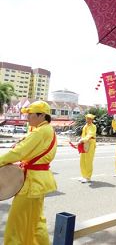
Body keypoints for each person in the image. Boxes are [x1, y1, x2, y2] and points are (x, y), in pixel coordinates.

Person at [0, 100, 57, 245]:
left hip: (31, 182)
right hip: (37, 181)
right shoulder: (47, 130)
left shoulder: (40, 132)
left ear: (42, 115)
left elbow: (18, 152)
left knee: (16, 222)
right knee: (35, 220)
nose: (27, 118)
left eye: (30, 115)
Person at [79, 113, 97, 183]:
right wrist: (81, 139)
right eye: (87, 118)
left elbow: (90, 134)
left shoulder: (93, 126)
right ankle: (84, 175)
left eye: (90, 118)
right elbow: (84, 135)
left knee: (88, 160)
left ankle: (88, 177)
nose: (88, 120)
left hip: (90, 143)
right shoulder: (85, 126)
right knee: (82, 160)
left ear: (92, 119)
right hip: (84, 143)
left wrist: (83, 140)